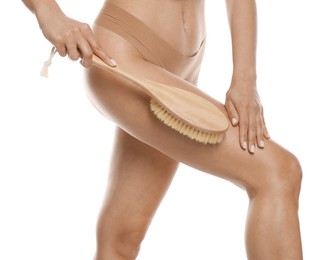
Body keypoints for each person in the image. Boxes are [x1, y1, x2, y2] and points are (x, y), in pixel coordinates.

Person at [22, 0, 303, 259]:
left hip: (185, 67)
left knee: (121, 237)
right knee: (278, 172)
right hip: (124, 54)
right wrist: (48, 12)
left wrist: (245, 79)